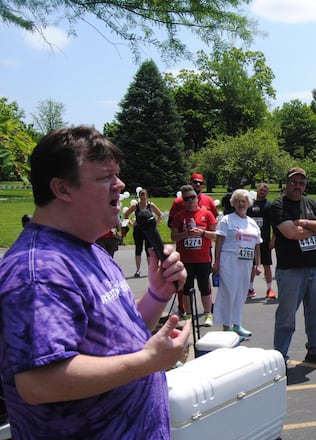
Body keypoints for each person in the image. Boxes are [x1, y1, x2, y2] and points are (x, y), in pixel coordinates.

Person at [0, 126, 189, 438]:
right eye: (105, 177)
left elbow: (116, 339)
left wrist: (157, 292)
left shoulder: (88, 248)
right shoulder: (37, 272)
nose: (120, 185)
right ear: (62, 189)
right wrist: (148, 361)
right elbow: (39, 382)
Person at [272, 167, 316, 364]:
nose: (297, 186)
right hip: (290, 270)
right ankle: (280, 357)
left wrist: (303, 223)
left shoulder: (311, 203)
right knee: (287, 316)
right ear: (287, 183)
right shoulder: (278, 206)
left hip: (314, 268)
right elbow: (291, 233)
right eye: (293, 182)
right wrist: (314, 227)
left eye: (301, 182)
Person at [212, 189, 262, 337]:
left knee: (241, 293)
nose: (241, 204)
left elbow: (257, 245)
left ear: (248, 203)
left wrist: (257, 264)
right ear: (233, 203)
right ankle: (226, 326)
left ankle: (237, 324)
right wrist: (217, 262)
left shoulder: (252, 223)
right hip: (229, 260)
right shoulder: (227, 220)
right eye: (238, 201)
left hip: (245, 262)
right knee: (229, 292)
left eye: (244, 201)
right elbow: (219, 242)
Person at [170, 184, 217, 326]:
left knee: (204, 286)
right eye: (187, 199)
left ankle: (208, 314)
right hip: (186, 258)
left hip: (203, 258)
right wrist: (185, 234)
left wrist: (202, 232)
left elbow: (216, 235)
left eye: (193, 197)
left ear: (197, 198)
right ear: (183, 201)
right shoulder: (179, 216)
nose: (190, 200)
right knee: (187, 287)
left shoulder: (206, 214)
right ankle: (189, 315)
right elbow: (173, 237)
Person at [123, 187, 162, 277]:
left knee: (149, 250)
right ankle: (138, 270)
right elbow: (126, 215)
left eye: (144, 196)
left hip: (148, 230)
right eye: (141, 196)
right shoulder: (136, 206)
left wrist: (155, 225)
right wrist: (132, 224)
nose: (143, 198)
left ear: (147, 196)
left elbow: (159, 214)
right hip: (138, 230)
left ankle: (150, 270)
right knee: (138, 249)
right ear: (139, 196)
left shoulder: (150, 205)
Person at [247, 182, 276, 300]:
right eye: (261, 189)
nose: (262, 191)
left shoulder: (269, 205)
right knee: (251, 265)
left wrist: (273, 239)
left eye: (265, 190)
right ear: (257, 190)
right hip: (250, 240)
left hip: (264, 240)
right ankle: (250, 288)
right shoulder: (250, 205)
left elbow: (274, 225)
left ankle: (269, 288)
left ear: (267, 192)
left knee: (267, 264)